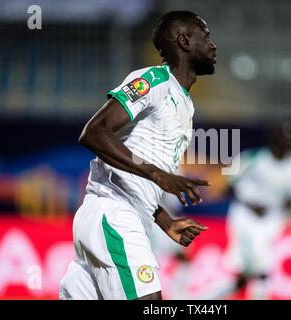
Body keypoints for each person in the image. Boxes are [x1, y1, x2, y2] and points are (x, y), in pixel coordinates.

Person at [59, 10, 217, 300]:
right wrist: (158, 174)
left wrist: (163, 219)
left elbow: (136, 180)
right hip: (114, 215)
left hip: (120, 216)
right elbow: (94, 132)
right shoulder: (154, 80)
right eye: (205, 36)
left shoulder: (185, 104)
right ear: (184, 41)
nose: (212, 45)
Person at [223, 122, 291, 299]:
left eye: (290, 139)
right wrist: (250, 202)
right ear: (273, 139)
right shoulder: (253, 157)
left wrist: (287, 203)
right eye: (283, 138)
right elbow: (229, 184)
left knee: (262, 264)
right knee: (245, 265)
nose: (287, 143)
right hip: (244, 215)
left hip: (270, 219)